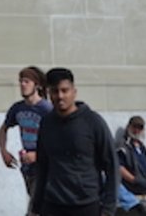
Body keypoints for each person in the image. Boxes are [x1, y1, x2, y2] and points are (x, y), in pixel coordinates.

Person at [29, 68, 117, 216]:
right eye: (55, 91)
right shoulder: (46, 124)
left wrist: (108, 209)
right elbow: (42, 167)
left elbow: (112, 166)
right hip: (52, 204)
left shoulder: (93, 122)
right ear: (50, 94)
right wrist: (35, 208)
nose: (60, 96)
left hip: (86, 205)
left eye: (65, 90)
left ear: (74, 92)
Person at [0, 65, 52, 196]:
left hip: (46, 167)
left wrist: (37, 155)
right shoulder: (18, 108)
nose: (22, 84)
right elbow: (3, 128)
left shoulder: (46, 109)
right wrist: (4, 151)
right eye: (21, 81)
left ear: (37, 85)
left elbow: (59, 138)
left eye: (27, 81)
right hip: (28, 166)